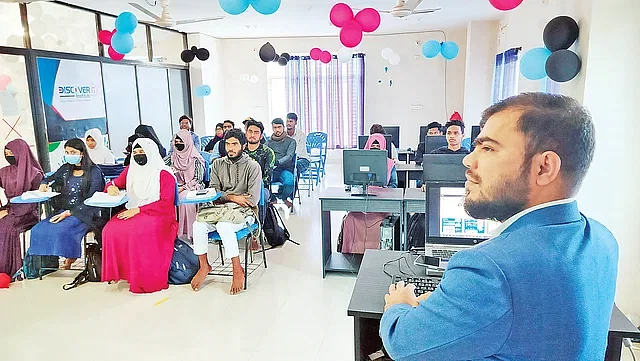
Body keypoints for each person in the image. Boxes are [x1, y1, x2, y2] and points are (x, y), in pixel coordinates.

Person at [381, 93, 618, 361]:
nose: (468, 161)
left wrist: (397, 306)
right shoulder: (603, 240)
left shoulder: (489, 269)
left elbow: (402, 342)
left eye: (488, 148)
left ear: (544, 167)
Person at [101, 138, 178, 294]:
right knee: (110, 230)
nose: (138, 156)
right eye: (135, 152)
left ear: (151, 152)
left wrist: (139, 210)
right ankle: (124, 273)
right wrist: (110, 187)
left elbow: (166, 203)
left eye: (142, 152)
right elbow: (114, 183)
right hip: (134, 210)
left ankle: (142, 277)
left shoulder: (164, 173)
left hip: (159, 214)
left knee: (138, 233)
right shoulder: (131, 169)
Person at [191, 129, 262, 295]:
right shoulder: (217, 164)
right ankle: (204, 266)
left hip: (246, 212)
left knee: (224, 226)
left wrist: (227, 198)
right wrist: (233, 197)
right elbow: (214, 193)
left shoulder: (252, 166)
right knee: (198, 225)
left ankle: (237, 269)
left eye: (234, 144)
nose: (230, 148)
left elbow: (252, 200)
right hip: (221, 208)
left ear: (243, 146)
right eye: (228, 144)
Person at [29, 139, 105, 270]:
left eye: (73, 152)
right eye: (66, 152)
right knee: (39, 229)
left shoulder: (94, 172)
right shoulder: (65, 169)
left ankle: (70, 258)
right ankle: (47, 264)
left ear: (82, 153)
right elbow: (48, 178)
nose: (69, 155)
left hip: (85, 213)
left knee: (61, 229)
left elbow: (93, 198)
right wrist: (43, 184)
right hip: (64, 211)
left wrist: (71, 213)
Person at [339, 133, 397, 254]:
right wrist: (359, 187)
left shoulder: (390, 164)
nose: (375, 147)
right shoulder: (357, 161)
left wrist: (382, 189)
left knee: (380, 223)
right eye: (373, 144)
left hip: (381, 205)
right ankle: (351, 255)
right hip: (361, 202)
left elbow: (394, 185)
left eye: (378, 145)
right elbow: (352, 182)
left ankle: (376, 256)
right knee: (350, 219)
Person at [0, 139, 44, 278]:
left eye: (11, 153)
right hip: (9, 209)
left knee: (7, 225)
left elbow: (35, 201)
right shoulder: (3, 172)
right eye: (5, 153)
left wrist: (10, 212)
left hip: (29, 212)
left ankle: (8, 268)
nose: (8, 156)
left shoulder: (35, 173)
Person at [165, 130, 205, 241]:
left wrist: (182, 188)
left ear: (187, 142)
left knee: (185, 197)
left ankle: (192, 233)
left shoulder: (195, 158)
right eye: (176, 141)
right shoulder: (172, 157)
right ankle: (172, 232)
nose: (178, 144)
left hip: (193, 186)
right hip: (176, 187)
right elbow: (161, 168)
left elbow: (198, 178)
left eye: (181, 141)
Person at [266, 118, 296, 209]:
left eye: (279, 127)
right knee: (262, 182)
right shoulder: (268, 142)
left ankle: (283, 198)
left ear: (283, 127)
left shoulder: (291, 141)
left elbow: (289, 156)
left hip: (285, 169)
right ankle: (272, 197)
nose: (277, 130)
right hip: (271, 170)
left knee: (289, 183)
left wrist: (277, 162)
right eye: (275, 127)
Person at [245, 119, 275, 194]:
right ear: (246, 133)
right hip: (240, 187)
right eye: (250, 131)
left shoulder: (268, 152)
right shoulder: (240, 151)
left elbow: (267, 178)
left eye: (256, 132)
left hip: (261, 187)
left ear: (261, 136)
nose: (252, 135)